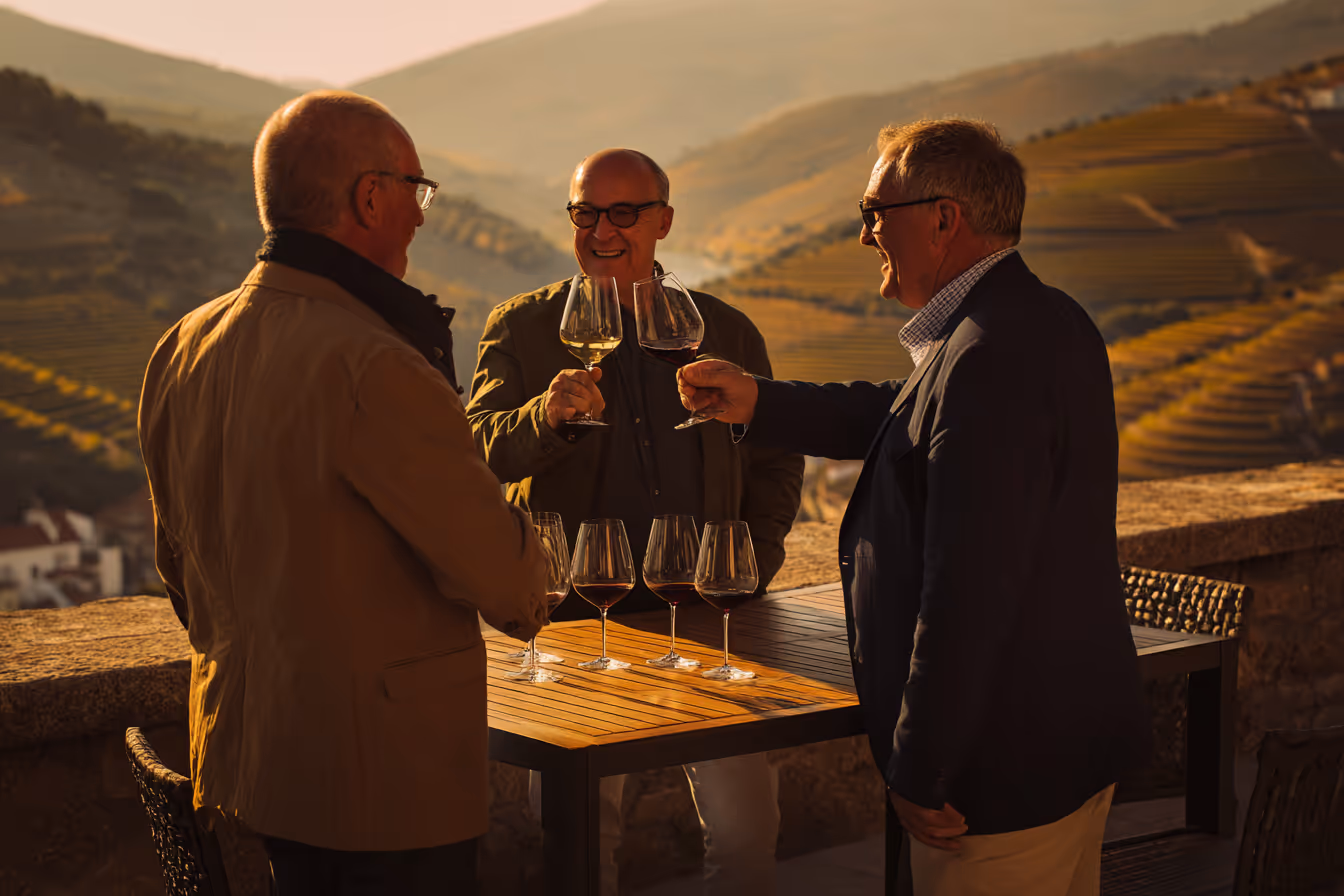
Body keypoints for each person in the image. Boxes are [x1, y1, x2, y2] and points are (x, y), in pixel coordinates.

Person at [678, 119, 1150, 896]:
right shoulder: (1036, 319)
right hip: (1060, 746)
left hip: (995, 775)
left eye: (874, 212)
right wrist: (759, 401)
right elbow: (906, 413)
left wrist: (921, 769)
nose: (865, 235)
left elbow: (967, 591)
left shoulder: (988, 354)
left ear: (943, 218)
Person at [137, 91, 550, 895]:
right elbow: (511, 587)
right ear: (370, 197)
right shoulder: (377, 366)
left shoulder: (182, 344)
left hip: (252, 758)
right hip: (381, 789)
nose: (422, 218)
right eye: (415, 192)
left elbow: (181, 574)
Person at [466, 148, 804, 895]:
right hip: (575, 622)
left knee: (748, 837)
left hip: (710, 621)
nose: (602, 230)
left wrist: (753, 559)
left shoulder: (725, 329)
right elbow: (477, 449)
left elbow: (776, 456)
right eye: (586, 212)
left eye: (624, 212)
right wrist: (543, 416)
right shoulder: (522, 329)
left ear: (664, 221)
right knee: (581, 845)